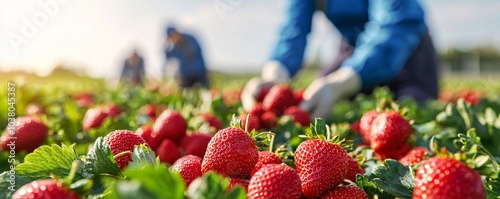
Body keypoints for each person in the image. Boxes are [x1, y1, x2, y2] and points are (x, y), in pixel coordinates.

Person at [242, 0, 439, 119]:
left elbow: (394, 24)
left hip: (407, 49)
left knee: (410, 111)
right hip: (353, 47)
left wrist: (341, 81)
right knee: (317, 98)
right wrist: (276, 74)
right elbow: (294, 30)